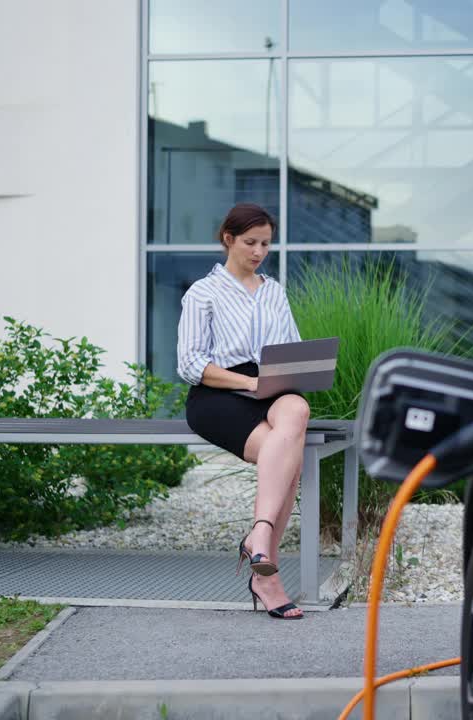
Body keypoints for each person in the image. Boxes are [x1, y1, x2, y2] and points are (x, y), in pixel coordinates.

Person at [177, 202, 308, 620]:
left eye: (266, 244)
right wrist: (250, 382)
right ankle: (266, 574)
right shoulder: (203, 293)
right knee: (287, 455)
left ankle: (259, 540)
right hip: (218, 392)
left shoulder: (274, 291)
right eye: (250, 242)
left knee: (297, 410)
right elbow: (191, 364)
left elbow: (291, 348)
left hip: (272, 386)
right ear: (228, 239)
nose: (258, 252)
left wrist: (286, 376)